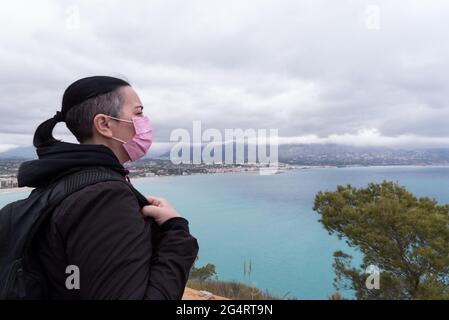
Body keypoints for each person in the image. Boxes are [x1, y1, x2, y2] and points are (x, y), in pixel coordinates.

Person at [17, 75, 199, 299]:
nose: (145, 122)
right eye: (139, 112)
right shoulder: (103, 197)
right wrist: (176, 231)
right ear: (104, 124)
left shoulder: (63, 180)